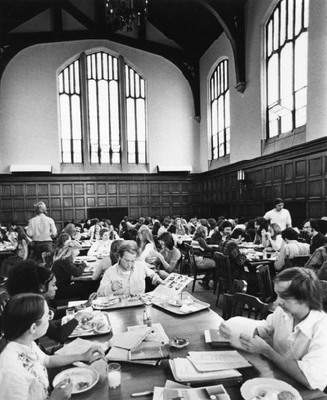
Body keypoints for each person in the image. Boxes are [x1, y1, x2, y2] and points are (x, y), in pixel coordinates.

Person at [219, 267, 327, 390]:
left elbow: (310, 380)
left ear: (305, 298)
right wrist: (232, 329)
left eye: (284, 297)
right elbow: (264, 329)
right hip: (276, 380)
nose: (276, 302)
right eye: (277, 295)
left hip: (303, 392)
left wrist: (267, 350)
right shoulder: (283, 312)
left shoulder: (322, 328)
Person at [0, 293, 104, 400]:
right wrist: (54, 398)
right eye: (47, 316)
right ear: (33, 328)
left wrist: (83, 356)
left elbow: (47, 360)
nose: (50, 319)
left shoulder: (25, 343)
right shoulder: (10, 372)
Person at [6, 260, 95, 344]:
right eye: (53, 285)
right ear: (41, 287)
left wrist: (82, 306)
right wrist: (78, 317)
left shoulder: (30, 302)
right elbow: (59, 334)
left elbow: (55, 314)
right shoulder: (33, 309)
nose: (56, 288)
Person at [97, 240, 163, 296]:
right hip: (119, 308)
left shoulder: (140, 265)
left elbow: (153, 275)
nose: (130, 264)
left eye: (132, 261)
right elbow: (99, 294)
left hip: (139, 307)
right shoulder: (110, 272)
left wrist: (159, 281)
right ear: (119, 256)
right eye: (127, 260)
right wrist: (111, 288)